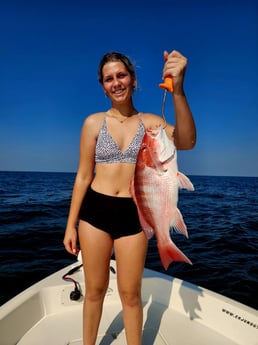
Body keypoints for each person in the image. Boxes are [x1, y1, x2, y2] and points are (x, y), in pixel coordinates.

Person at [63, 49, 196, 345]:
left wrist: (178, 91)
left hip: (135, 214)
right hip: (95, 213)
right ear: (102, 86)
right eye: (109, 78)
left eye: (121, 75)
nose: (116, 82)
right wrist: (70, 225)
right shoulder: (92, 123)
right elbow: (84, 175)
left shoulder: (151, 122)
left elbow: (187, 141)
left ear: (133, 79)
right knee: (94, 291)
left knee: (131, 295)